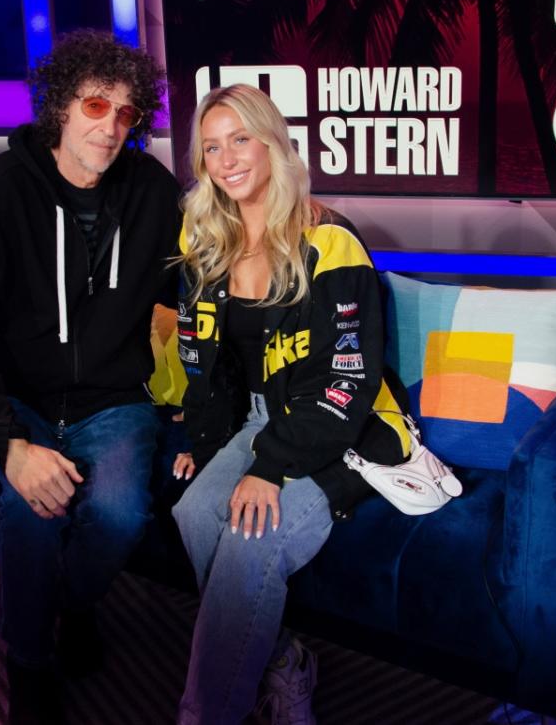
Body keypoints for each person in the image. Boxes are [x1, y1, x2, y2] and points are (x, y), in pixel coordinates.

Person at [0, 30, 181, 723]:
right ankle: (30, 663)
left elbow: (187, 286)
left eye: (126, 114)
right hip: (24, 398)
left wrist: (292, 221)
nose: (111, 127)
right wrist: (8, 442)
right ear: (59, 107)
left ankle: (72, 601)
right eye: (96, 106)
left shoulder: (153, 191)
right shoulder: (6, 191)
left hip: (115, 398)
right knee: (29, 508)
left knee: (121, 515)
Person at [171, 84, 412, 725]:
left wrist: (269, 464)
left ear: (274, 142)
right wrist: (205, 445)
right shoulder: (205, 243)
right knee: (195, 516)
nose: (227, 159)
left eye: (240, 139)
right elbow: (204, 365)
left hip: (338, 424)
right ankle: (282, 662)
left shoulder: (331, 241)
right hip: (253, 419)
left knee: (253, 539)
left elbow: (348, 379)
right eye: (212, 147)